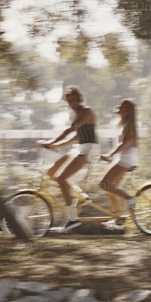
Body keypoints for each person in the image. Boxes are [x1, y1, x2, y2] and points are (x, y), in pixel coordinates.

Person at [39, 86, 97, 231]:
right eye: (68, 100)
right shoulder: (76, 114)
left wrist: (51, 142)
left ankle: (73, 219)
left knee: (61, 178)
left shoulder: (86, 112)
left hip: (89, 150)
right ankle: (81, 195)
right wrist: (56, 146)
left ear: (79, 99)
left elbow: (70, 130)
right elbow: (76, 137)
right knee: (52, 172)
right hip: (79, 148)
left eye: (73, 99)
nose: (71, 102)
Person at [98, 98, 137, 229]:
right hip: (122, 159)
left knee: (104, 184)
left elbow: (123, 144)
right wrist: (111, 157)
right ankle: (119, 219)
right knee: (111, 189)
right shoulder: (126, 124)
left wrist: (109, 154)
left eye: (121, 109)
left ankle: (130, 199)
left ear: (126, 111)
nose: (119, 112)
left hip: (124, 160)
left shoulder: (129, 126)